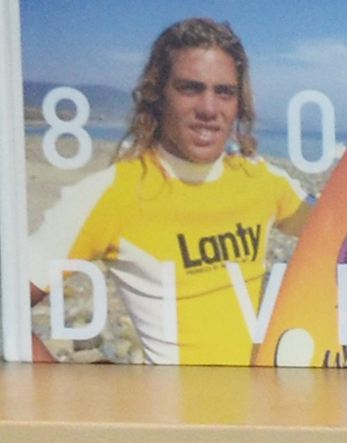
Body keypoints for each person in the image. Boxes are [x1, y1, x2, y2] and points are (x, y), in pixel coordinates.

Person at [37, 19, 303, 364]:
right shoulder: (113, 192)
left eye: (224, 92)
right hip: (177, 415)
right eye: (190, 88)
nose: (209, 109)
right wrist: (63, 397)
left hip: (259, 412)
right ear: (157, 95)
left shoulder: (264, 181)